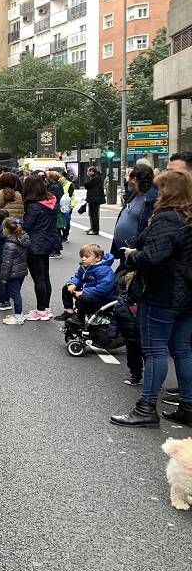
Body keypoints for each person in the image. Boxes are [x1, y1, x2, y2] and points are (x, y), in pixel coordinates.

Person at [111, 170, 192, 428]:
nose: (155, 193)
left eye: (160, 188)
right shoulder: (187, 217)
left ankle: (146, 407)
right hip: (187, 294)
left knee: (155, 350)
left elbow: (153, 257)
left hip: (162, 293)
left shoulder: (167, 218)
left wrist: (132, 255)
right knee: (182, 350)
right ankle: (188, 406)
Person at [21, 174, 58, 321]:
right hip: (48, 242)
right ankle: (46, 308)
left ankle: (41, 310)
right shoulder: (51, 201)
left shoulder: (33, 206)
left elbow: (27, 226)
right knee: (45, 277)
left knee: (38, 279)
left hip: (35, 244)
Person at [56, 243, 116, 322]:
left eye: (87, 257)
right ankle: (69, 311)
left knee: (84, 298)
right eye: (82, 257)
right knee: (66, 288)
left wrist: (83, 292)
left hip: (102, 298)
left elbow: (103, 288)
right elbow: (78, 277)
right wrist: (73, 283)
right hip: (88, 292)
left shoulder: (103, 270)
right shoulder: (85, 266)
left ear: (97, 258)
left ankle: (79, 318)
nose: (83, 259)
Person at [110, 164, 156, 260]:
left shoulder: (151, 200)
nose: (127, 180)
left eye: (129, 177)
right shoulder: (134, 194)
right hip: (125, 253)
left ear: (134, 179)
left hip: (135, 253)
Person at [0, 218, 31, 326]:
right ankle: (18, 314)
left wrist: (3, 277)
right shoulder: (22, 239)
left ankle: (18, 315)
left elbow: (7, 262)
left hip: (12, 273)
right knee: (17, 292)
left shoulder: (10, 244)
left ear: (7, 229)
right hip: (21, 271)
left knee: (15, 294)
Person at [82, 167, 106, 234]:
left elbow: (87, 185)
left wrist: (88, 178)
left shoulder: (96, 178)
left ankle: (95, 230)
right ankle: (93, 228)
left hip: (94, 199)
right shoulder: (96, 177)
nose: (88, 173)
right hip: (93, 199)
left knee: (94, 215)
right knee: (92, 214)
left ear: (92, 171)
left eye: (88, 171)